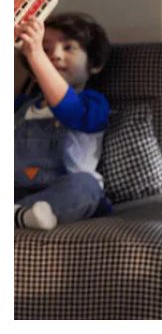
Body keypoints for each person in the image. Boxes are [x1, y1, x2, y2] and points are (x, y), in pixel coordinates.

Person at [14, 12, 111, 230]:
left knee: (87, 185)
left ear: (93, 64)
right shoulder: (20, 106)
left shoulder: (93, 103)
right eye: (46, 49)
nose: (55, 55)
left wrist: (37, 55)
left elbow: (69, 111)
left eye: (69, 47)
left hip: (64, 191)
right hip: (15, 188)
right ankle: (21, 215)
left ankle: (23, 214)